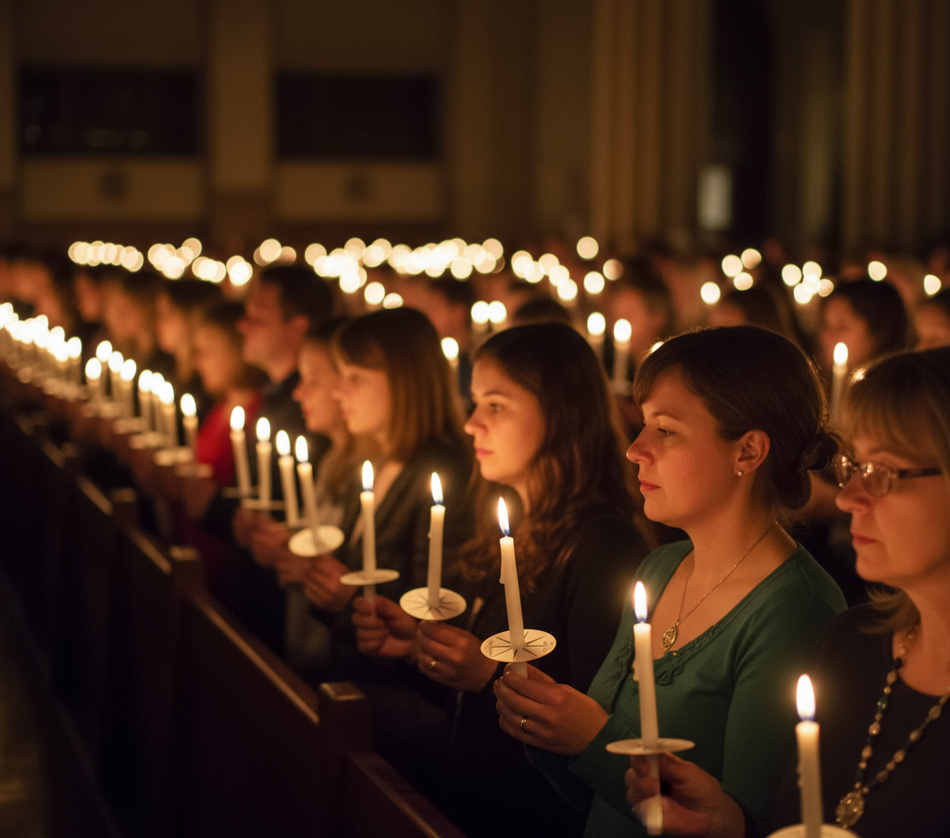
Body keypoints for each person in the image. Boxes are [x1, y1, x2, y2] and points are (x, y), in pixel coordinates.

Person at [492, 326, 847, 838]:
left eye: (665, 430)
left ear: (747, 451)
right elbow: (596, 800)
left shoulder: (793, 610)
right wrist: (549, 732)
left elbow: (747, 825)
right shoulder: (658, 569)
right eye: (641, 427)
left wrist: (591, 740)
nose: (635, 450)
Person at [625, 347, 950, 838]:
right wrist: (726, 825)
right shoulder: (852, 644)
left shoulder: (801, 609)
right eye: (853, 468)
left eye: (882, 473)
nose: (847, 498)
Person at [352, 322, 649, 837]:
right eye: (474, 402)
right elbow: (468, 704)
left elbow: (594, 718)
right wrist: (417, 651)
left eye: (495, 405)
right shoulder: (506, 523)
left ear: (560, 414)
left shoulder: (603, 545)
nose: (470, 424)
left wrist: (486, 675)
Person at [301, 307, 474, 764]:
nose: (339, 392)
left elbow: (438, 600)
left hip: (408, 717)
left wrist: (348, 599)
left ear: (404, 381)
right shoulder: (376, 460)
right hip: (358, 695)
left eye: (355, 377)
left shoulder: (444, 473)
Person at [242, 318, 366, 681]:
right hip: (303, 652)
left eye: (313, 380)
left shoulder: (367, 476)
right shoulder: (330, 461)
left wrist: (308, 565)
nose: (298, 393)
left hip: (336, 669)